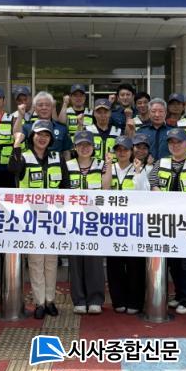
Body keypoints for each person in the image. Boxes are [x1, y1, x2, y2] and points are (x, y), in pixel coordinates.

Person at [8, 119, 71, 319]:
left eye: (46, 135)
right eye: (39, 134)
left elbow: (66, 186)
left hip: (53, 218)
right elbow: (13, 169)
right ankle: (39, 302)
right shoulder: (23, 156)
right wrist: (16, 144)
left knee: (51, 261)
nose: (42, 138)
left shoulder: (57, 157)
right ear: (32, 136)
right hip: (31, 218)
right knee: (35, 261)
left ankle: (50, 300)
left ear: (51, 138)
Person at [149, 128, 186, 315]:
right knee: (173, 261)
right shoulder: (161, 163)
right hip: (167, 220)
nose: (175, 146)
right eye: (172, 143)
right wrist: (163, 198)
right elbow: (153, 184)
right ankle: (178, 294)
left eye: (179, 142)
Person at [66, 130, 112, 315]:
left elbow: (106, 188)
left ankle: (95, 299)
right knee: (75, 260)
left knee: (94, 260)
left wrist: (109, 166)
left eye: (88, 145)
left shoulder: (102, 164)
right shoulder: (67, 165)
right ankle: (79, 299)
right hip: (73, 220)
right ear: (75, 147)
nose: (84, 148)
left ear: (93, 147)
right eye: (80, 145)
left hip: (95, 220)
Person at [107, 135, 148, 314]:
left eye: (125, 149)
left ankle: (135, 301)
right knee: (114, 264)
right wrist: (108, 167)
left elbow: (144, 193)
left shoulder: (139, 169)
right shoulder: (109, 168)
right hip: (112, 224)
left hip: (134, 224)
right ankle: (118, 300)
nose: (122, 152)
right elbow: (104, 190)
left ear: (131, 151)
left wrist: (138, 173)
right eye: (118, 149)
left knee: (135, 264)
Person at [16, 91, 73, 159]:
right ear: (35, 108)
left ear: (52, 107)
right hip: (33, 165)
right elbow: (16, 136)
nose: (44, 108)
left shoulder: (61, 128)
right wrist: (20, 115)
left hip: (56, 165)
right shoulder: (28, 127)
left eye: (47, 105)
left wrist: (67, 165)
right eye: (40, 105)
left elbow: (66, 152)